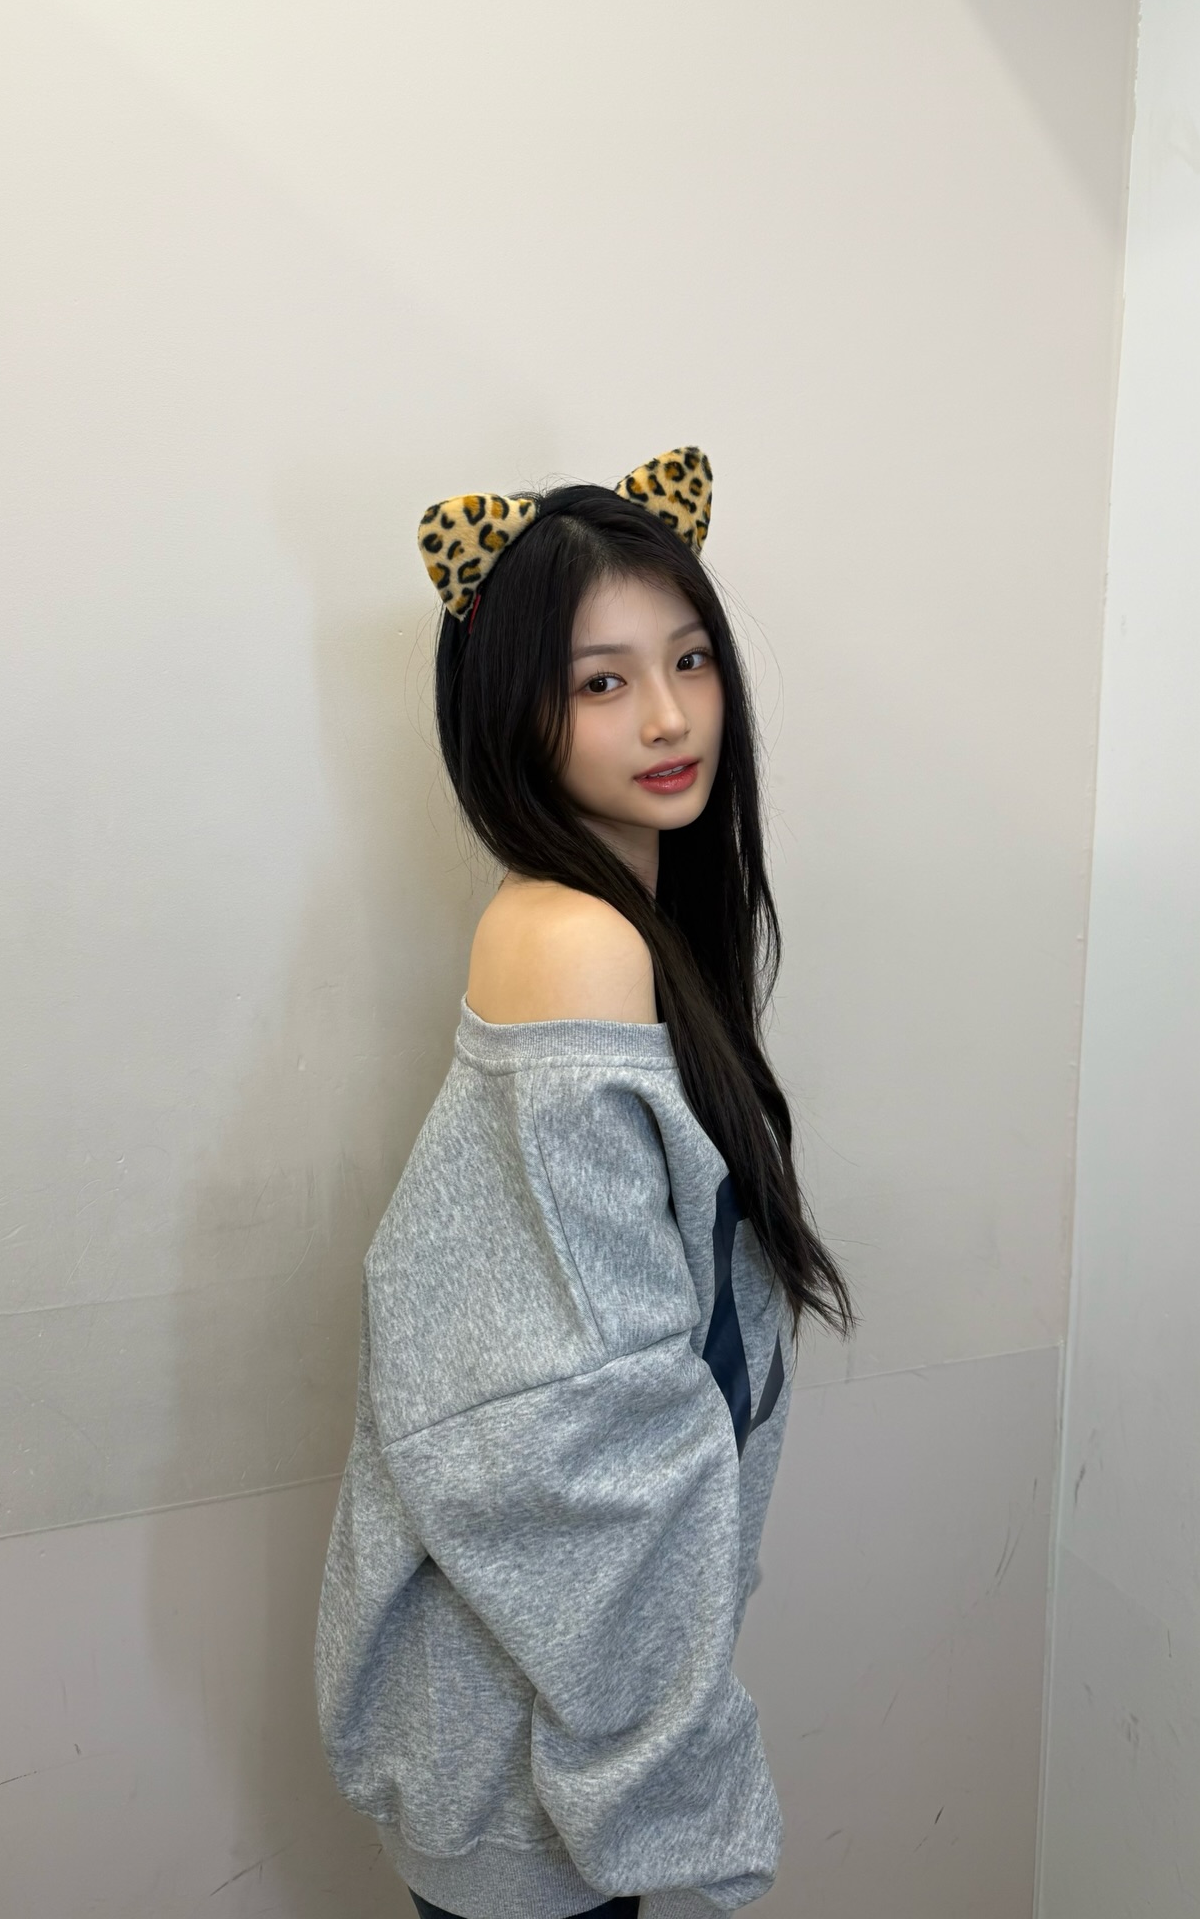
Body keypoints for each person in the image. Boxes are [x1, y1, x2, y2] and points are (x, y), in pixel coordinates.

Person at [314, 448, 856, 1919]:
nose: (670, 716)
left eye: (689, 659)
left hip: (538, 1719)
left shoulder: (608, 920)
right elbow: (581, 1436)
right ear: (512, 711)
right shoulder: (578, 945)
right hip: (536, 1745)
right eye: (601, 682)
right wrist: (683, 1786)